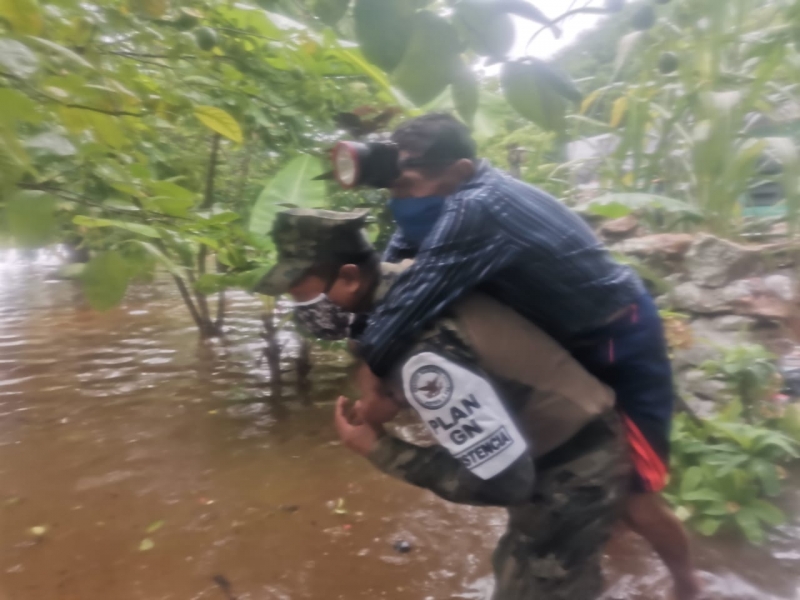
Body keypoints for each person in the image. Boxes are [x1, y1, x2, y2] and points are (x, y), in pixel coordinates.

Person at [352, 113, 701, 600]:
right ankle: (598, 548)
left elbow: (412, 296)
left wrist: (371, 377)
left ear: (458, 170)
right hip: (567, 336)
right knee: (590, 466)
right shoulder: (444, 198)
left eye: (407, 182)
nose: (400, 196)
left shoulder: (481, 206)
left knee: (635, 497)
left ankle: (688, 583)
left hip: (620, 339)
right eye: (392, 185)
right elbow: (398, 260)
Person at [257, 207, 630, 600]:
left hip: (575, 464)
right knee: (515, 569)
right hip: (563, 434)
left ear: (349, 277)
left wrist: (377, 447)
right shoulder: (410, 282)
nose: (300, 308)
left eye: (302, 293)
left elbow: (504, 482)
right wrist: (383, 394)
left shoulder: (420, 357)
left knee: (543, 585)